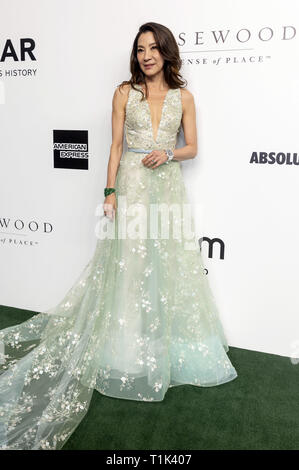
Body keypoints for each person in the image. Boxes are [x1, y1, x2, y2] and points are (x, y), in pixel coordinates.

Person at [0, 22, 237, 450]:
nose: (146, 55)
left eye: (153, 48)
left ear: (166, 52)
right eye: (140, 49)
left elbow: (193, 147)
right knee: (128, 268)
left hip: (165, 187)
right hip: (130, 185)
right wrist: (108, 193)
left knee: (168, 266)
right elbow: (113, 147)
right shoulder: (124, 93)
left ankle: (168, 347)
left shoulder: (185, 98)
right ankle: (124, 348)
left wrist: (169, 151)